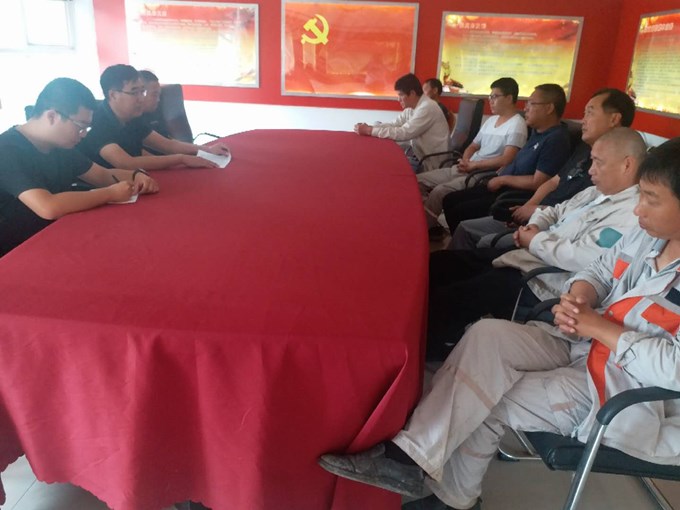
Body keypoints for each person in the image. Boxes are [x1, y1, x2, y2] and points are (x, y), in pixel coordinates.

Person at [318, 136, 680, 510]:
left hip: (626, 391)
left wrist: (599, 328)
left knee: (489, 393)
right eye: (640, 195)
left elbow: (675, 369)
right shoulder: (648, 236)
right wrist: (581, 296)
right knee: (487, 336)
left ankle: (445, 493)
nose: (638, 209)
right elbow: (600, 270)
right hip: (584, 345)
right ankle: (410, 459)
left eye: (652, 199)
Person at [426, 127, 646, 360]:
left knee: (451, 297)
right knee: (441, 263)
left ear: (627, 165)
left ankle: (428, 348)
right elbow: (554, 211)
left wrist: (535, 241)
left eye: (598, 162)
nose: (591, 170)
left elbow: (582, 257)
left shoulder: (632, 214)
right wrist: (535, 226)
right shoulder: (594, 193)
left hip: (542, 279)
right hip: (528, 257)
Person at [451, 88, 636, 250]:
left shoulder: (616, 169)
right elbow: (553, 181)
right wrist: (529, 208)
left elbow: (582, 214)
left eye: (590, 113)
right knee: (463, 221)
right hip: (538, 217)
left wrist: (535, 215)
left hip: (555, 233)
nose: (583, 120)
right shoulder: (584, 148)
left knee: (478, 237)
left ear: (614, 119)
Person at [0, 77, 159, 257]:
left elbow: (102, 175)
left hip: (58, 234)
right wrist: (110, 193)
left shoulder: (59, 145)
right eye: (80, 126)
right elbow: (48, 207)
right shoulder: (7, 150)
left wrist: (136, 175)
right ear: (52, 116)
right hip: (16, 250)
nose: (83, 135)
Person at [428, 84, 572, 239]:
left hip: (512, 194)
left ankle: (465, 243)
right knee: (450, 200)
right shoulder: (538, 133)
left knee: (458, 208)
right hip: (501, 183)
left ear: (549, 108)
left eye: (531, 103)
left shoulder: (556, 139)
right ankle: (460, 240)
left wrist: (503, 179)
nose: (525, 108)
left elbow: (539, 181)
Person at [417, 77, 527, 238]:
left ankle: (425, 230)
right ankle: (427, 221)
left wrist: (474, 166)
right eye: (490, 96)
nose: (490, 100)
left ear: (509, 98)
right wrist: (466, 160)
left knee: (440, 192)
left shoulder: (517, 125)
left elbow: (507, 159)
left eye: (495, 96)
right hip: (467, 167)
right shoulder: (491, 120)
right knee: (417, 181)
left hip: (482, 174)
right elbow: (473, 145)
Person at [78, 64, 229, 170]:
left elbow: (167, 145)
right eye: (134, 92)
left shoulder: (132, 116)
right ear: (113, 95)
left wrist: (207, 150)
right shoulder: (97, 121)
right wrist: (181, 159)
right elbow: (126, 163)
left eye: (142, 91)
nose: (141, 98)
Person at [354, 73, 449, 173]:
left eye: (401, 95)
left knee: (386, 169)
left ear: (412, 93)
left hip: (430, 163)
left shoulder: (427, 108)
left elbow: (404, 133)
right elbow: (395, 124)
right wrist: (371, 127)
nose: (398, 99)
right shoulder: (412, 107)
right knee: (382, 160)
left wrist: (370, 131)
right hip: (418, 154)